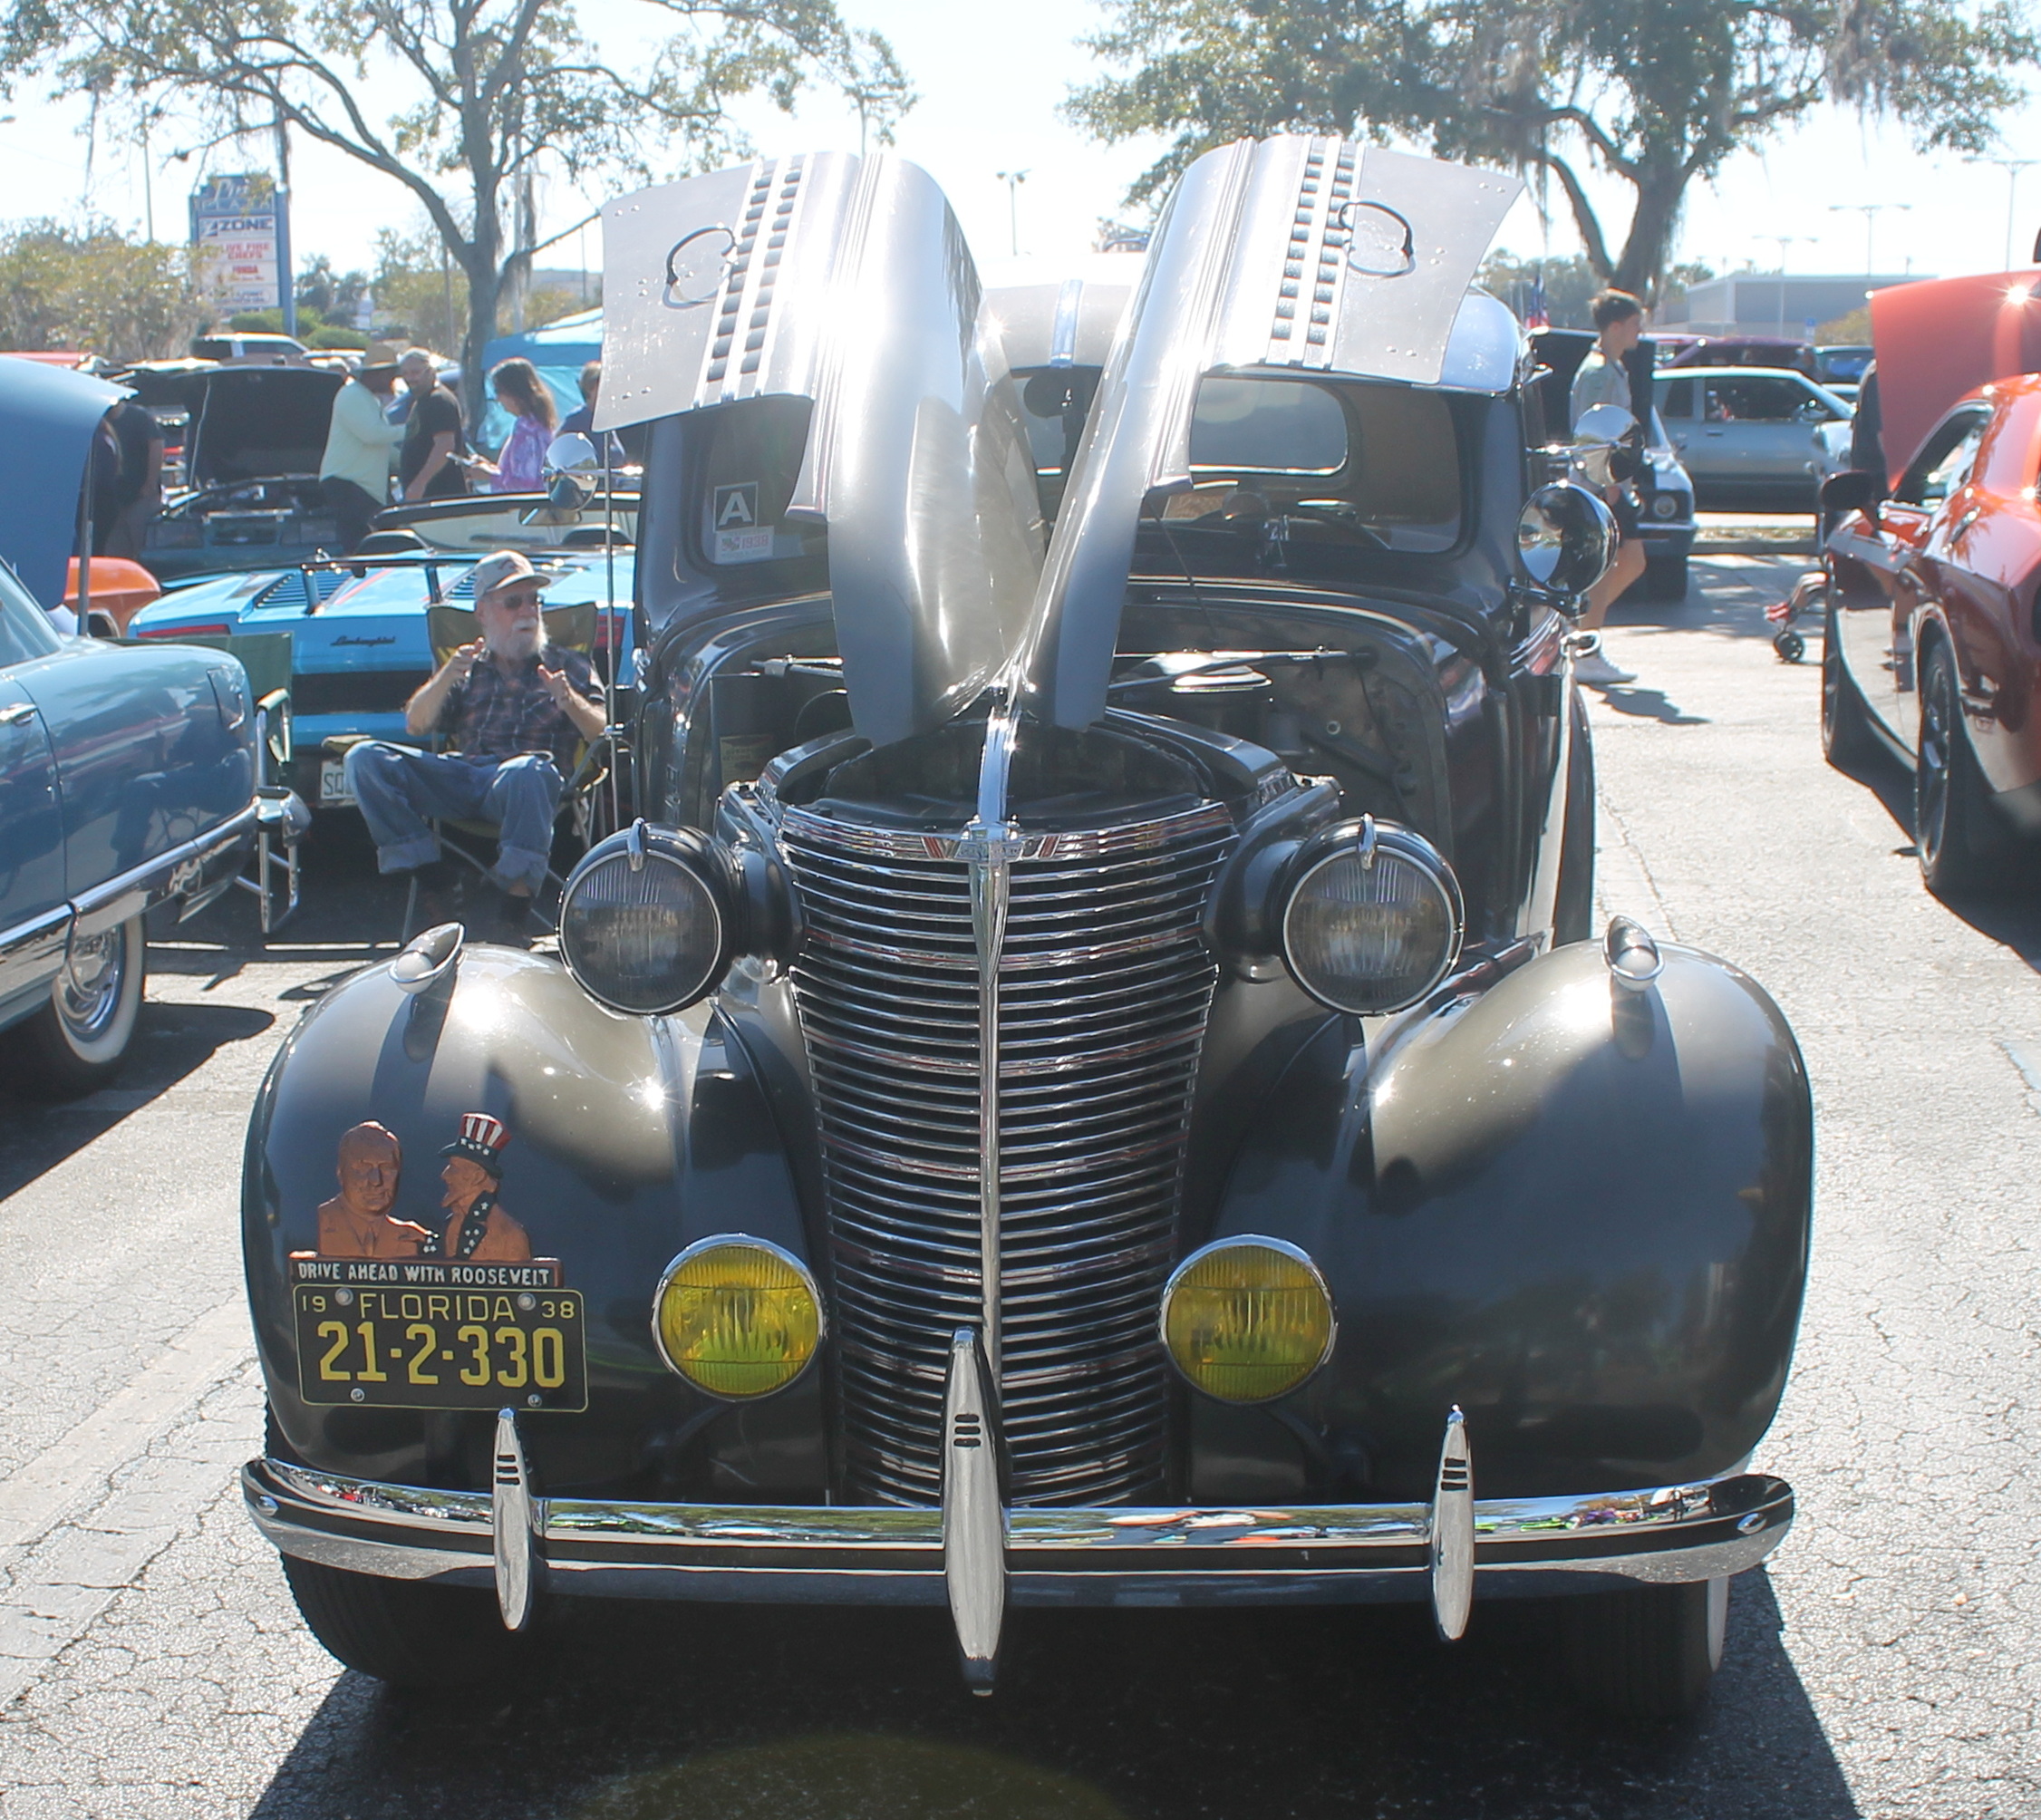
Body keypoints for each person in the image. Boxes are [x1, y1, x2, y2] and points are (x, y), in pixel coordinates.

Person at [343, 549, 605, 943]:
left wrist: (568, 699)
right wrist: (448, 673)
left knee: (528, 771)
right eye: (513, 601)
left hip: (523, 784)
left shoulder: (567, 665)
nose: (527, 611)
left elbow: (602, 733)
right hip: (461, 777)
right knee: (363, 759)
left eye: (534, 600)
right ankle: (435, 878)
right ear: (482, 611)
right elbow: (416, 724)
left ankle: (511, 913)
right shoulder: (468, 668)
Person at [1567, 289, 1651, 686]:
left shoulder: (1613, 368)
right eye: (1635, 324)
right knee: (1605, 568)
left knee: (1631, 561)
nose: (1640, 331)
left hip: (1614, 484)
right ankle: (1585, 647)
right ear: (1615, 326)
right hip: (1601, 485)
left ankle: (1579, 629)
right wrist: (1606, 481)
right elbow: (1593, 433)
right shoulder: (1600, 371)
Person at [319, 344, 406, 552]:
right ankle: (357, 579)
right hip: (347, 483)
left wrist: (410, 458)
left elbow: (383, 446)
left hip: (363, 487)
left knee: (381, 538)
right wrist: (413, 429)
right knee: (363, 545)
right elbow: (372, 434)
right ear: (379, 373)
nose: (393, 380)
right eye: (391, 374)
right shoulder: (352, 395)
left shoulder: (368, 399)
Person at [423, 1112, 531, 1263]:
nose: (444, 1175)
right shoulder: (452, 1224)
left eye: (454, 1168)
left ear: (478, 1176)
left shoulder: (509, 1235)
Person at [313, 1121, 430, 1259]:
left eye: (386, 1168)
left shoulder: (408, 1236)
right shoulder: (322, 1220)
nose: (376, 1181)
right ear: (341, 1173)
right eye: (363, 1167)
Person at [469, 356, 557, 493]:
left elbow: (526, 485)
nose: (497, 399)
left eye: (499, 391)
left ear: (515, 392)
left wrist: (489, 475)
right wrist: (489, 467)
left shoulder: (529, 431)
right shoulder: (533, 425)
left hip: (522, 511)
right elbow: (518, 474)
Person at [396, 348, 469, 502]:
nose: (410, 378)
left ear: (431, 371)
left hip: (439, 493)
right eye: (405, 373)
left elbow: (444, 445)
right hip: (427, 494)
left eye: (415, 372)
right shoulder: (423, 400)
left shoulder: (439, 401)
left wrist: (420, 483)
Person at [557, 359, 626, 466]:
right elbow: (559, 452)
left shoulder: (608, 418)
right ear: (590, 387)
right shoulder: (576, 420)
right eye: (603, 385)